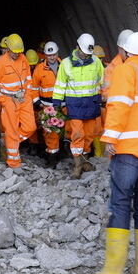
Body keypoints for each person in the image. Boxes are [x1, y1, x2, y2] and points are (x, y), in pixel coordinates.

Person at [85, 32, 138, 274]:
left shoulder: (126, 69)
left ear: (124, 51)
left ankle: (113, 270)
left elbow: (119, 104)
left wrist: (110, 136)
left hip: (130, 147)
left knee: (120, 203)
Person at [52, 33, 104, 179]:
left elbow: (103, 81)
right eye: (84, 53)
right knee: (77, 135)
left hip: (91, 105)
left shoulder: (96, 62)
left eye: (89, 54)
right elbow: (60, 85)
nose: (86, 56)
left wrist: (104, 97)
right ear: (77, 47)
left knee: (89, 136)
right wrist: (56, 104)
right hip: (74, 106)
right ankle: (77, 166)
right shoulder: (66, 64)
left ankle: (85, 161)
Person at [0, 33, 36, 168]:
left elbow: (28, 79)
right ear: (8, 49)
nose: (17, 55)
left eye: (19, 52)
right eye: (14, 52)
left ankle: (10, 141)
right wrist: (4, 101)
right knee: (11, 130)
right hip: (9, 100)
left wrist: (28, 95)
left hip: (23, 97)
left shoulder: (23, 58)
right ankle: (14, 163)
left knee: (30, 127)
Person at [29, 41, 62, 167]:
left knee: (66, 132)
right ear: (45, 55)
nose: (52, 57)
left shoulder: (64, 66)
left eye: (54, 54)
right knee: (50, 133)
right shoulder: (39, 69)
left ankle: (64, 154)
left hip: (63, 106)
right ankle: (52, 159)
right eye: (49, 55)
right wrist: (38, 102)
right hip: (47, 107)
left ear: (57, 53)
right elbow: (33, 88)